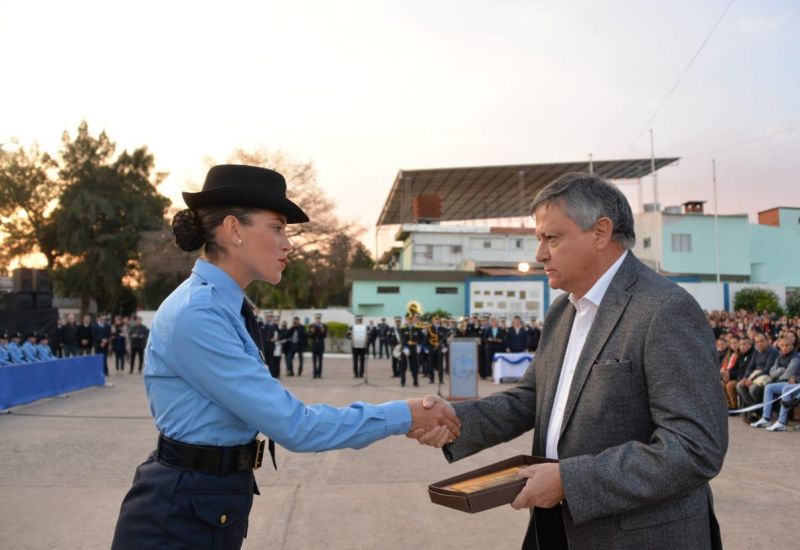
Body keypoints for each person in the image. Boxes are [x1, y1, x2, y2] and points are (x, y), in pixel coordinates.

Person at [111, 164, 460, 550]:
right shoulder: (199, 313)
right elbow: (296, 426)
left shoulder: (223, 306)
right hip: (179, 519)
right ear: (233, 230)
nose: (287, 244)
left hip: (208, 502)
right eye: (276, 228)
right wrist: (405, 414)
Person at [414, 173, 726, 549]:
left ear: (600, 233)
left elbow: (694, 447)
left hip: (635, 538)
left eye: (552, 238)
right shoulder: (563, 311)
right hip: (556, 527)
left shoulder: (664, 310)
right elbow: (530, 398)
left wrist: (569, 481)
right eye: (539, 240)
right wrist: (453, 420)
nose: (540, 255)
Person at [308, 314, 327, 378]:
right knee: (314, 360)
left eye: (319, 318)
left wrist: (322, 331)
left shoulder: (324, 326)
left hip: (321, 345)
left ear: (320, 319)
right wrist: (312, 332)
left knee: (320, 360)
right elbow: (310, 336)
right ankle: (314, 374)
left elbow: (325, 336)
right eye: (316, 318)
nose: (318, 319)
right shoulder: (311, 326)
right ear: (315, 319)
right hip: (314, 345)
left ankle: (319, 374)